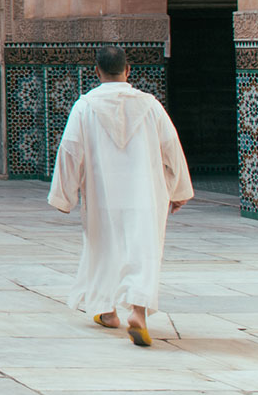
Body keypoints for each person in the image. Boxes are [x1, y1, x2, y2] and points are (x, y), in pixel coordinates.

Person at [46, 45, 193, 347]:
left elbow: (70, 150)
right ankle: (137, 311)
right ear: (128, 71)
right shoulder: (150, 105)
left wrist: (64, 196)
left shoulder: (85, 106)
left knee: (103, 248)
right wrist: (179, 190)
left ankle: (107, 310)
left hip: (103, 194)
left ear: (96, 71)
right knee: (143, 248)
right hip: (147, 192)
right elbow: (171, 147)